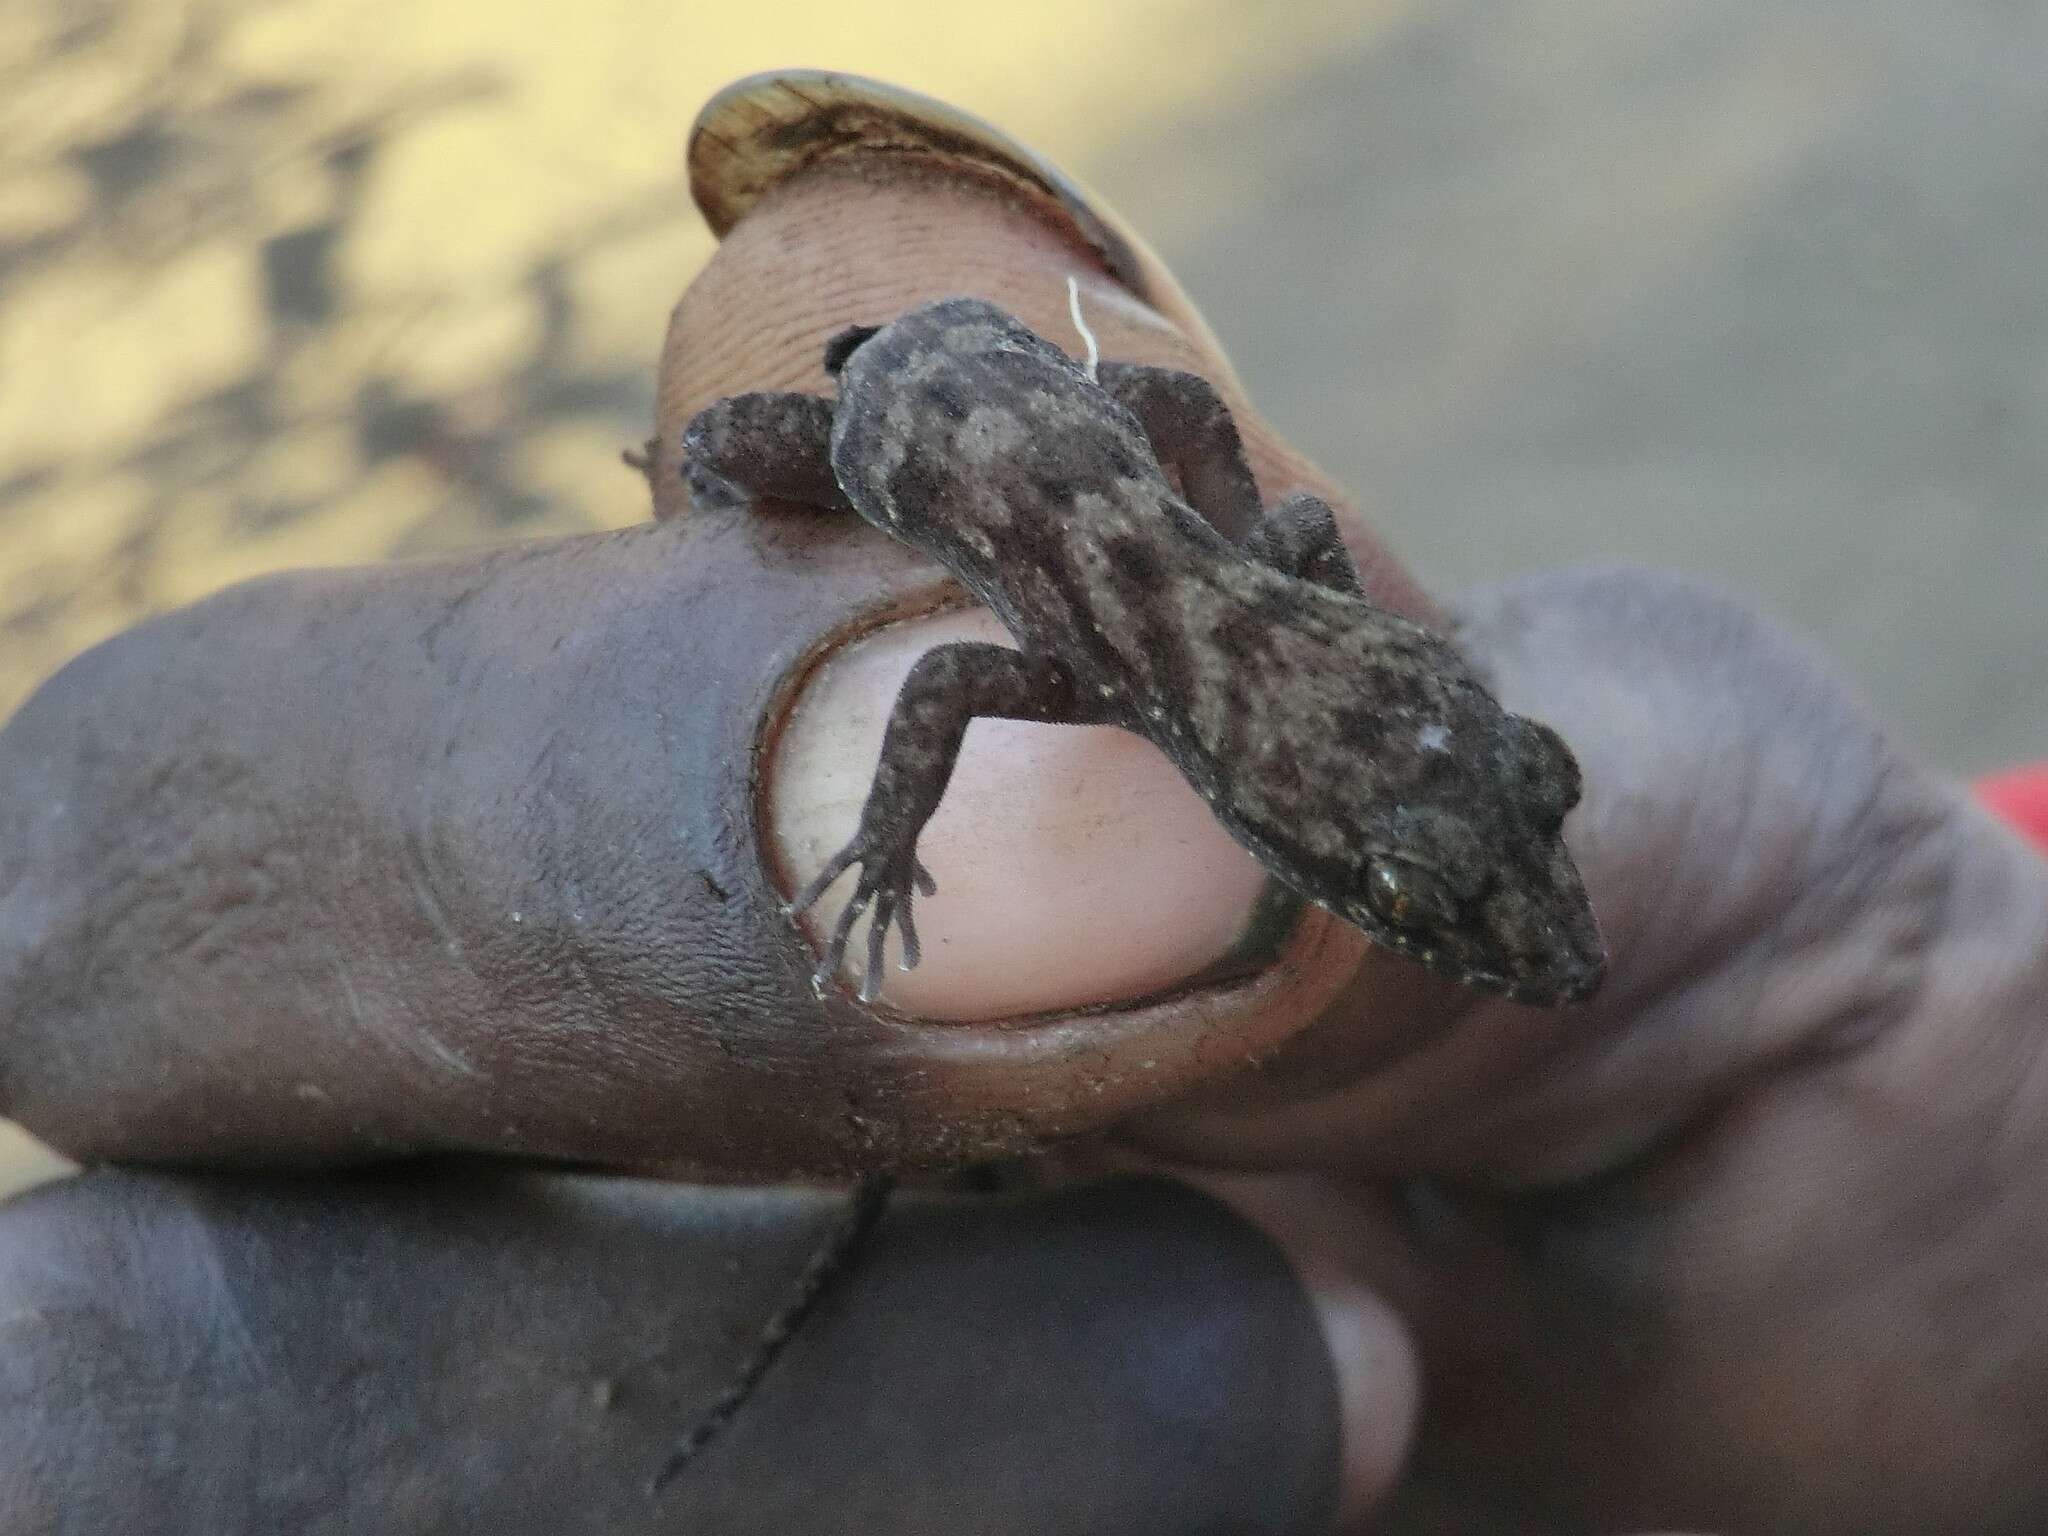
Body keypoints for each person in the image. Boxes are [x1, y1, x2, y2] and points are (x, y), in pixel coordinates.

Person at [2, 139, 2044, 1536]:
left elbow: (1243, 563)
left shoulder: (1206, 637)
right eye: (1411, 880)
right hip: (923, 401)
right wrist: (807, 695)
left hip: (1063, 459)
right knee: (739, 465)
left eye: (1496, 830)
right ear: (1272, 799)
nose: (1523, 930)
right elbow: (961, 686)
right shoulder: (1116, 672)